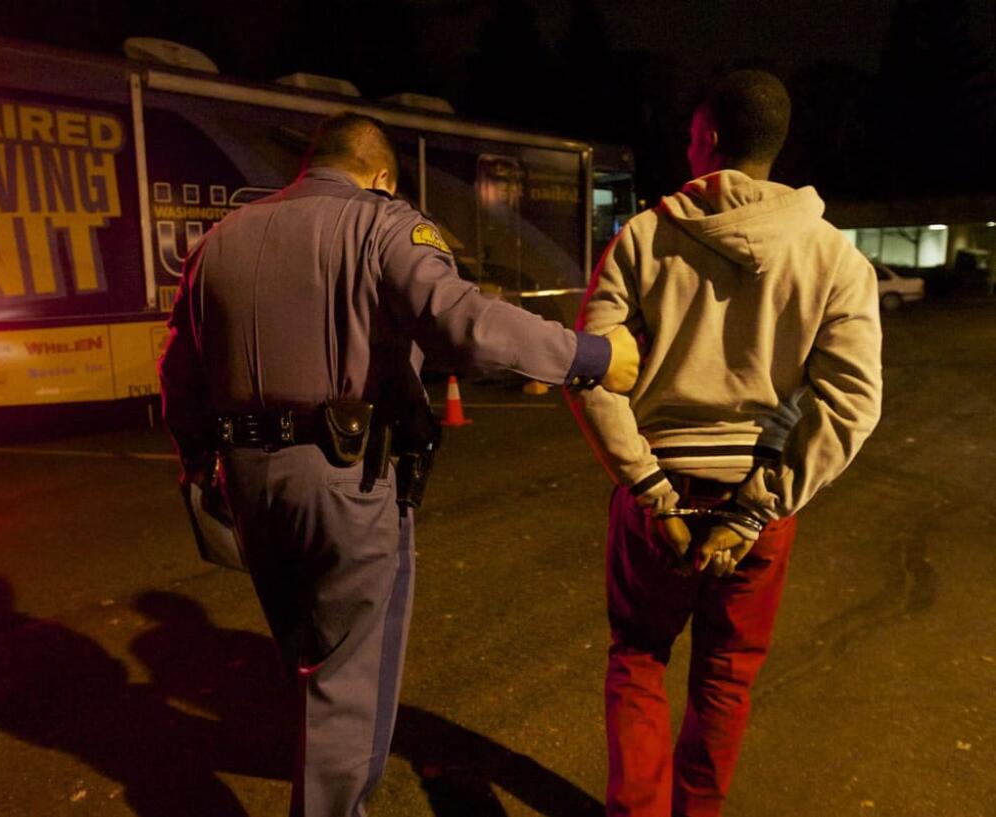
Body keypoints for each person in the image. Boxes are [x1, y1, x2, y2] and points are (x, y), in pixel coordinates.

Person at [158, 112, 639, 817]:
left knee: (311, 659)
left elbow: (180, 374)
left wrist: (201, 466)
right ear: (382, 176)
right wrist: (591, 358)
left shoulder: (219, 239)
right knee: (347, 686)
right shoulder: (384, 224)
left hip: (248, 482)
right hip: (344, 475)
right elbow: (464, 322)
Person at [570, 70, 883, 816]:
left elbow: (589, 373)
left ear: (708, 138)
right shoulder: (835, 258)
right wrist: (753, 511)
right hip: (760, 505)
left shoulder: (642, 239)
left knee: (640, 661)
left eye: (690, 136)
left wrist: (650, 490)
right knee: (726, 675)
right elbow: (853, 404)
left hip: (659, 494)